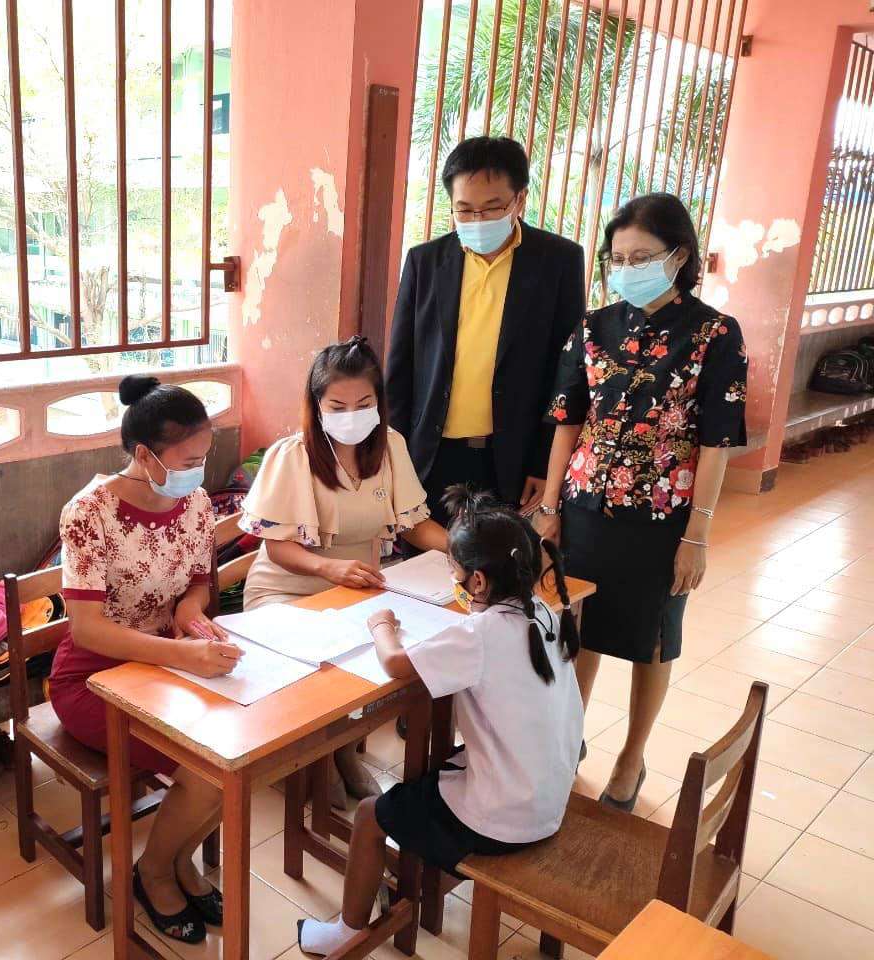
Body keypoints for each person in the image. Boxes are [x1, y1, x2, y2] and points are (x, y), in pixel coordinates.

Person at [294, 487, 584, 955]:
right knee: (437, 772)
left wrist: (381, 625)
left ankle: (346, 933)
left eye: (455, 572)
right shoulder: (546, 615)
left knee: (370, 815)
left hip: (502, 820)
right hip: (548, 799)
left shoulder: (480, 633)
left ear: (478, 582)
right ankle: (407, 876)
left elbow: (394, 664)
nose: (454, 581)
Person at [535, 193, 747, 812]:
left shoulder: (714, 334)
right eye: (618, 258)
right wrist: (548, 505)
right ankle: (569, 737)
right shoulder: (593, 327)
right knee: (580, 627)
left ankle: (632, 756)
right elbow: (568, 421)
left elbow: (717, 442)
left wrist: (697, 535)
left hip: (662, 520)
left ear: (679, 255)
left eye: (642, 257)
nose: (627, 268)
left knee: (652, 638)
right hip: (584, 507)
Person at [48, 375, 240, 945]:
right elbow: (87, 628)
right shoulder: (89, 512)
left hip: (162, 666)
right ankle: (152, 872)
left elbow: (198, 585)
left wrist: (190, 613)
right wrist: (184, 654)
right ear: (144, 455)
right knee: (206, 773)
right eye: (189, 461)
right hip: (93, 679)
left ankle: (178, 860)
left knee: (235, 756)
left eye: (204, 458)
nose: (199, 472)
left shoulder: (194, 504)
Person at [238, 337, 450, 804]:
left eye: (363, 404)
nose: (351, 415)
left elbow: (416, 524)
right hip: (287, 592)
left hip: (358, 590)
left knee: (398, 652)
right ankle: (321, 758)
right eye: (337, 406)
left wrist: (463, 548)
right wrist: (328, 568)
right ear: (316, 405)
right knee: (325, 667)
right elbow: (277, 548)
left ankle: (341, 750)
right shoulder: (292, 455)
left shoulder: (390, 446)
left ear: (379, 403)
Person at [387, 136, 586, 519]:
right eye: (464, 210)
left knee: (503, 554)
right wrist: (395, 457)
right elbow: (400, 367)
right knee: (425, 552)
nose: (477, 220)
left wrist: (544, 463)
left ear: (520, 199)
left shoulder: (558, 262)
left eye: (492, 208)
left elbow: (567, 373)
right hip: (431, 455)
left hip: (512, 459)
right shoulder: (424, 262)